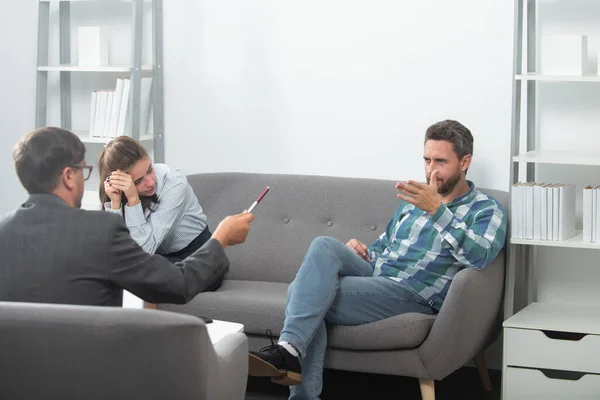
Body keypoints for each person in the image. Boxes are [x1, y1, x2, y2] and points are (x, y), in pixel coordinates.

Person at [248, 120, 507, 399]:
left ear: (465, 161)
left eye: (441, 161)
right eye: (427, 160)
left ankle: (294, 368)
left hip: (415, 294)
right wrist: (363, 250)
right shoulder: (413, 203)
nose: (431, 170)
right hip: (378, 278)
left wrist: (437, 212)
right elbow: (386, 246)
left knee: (300, 294)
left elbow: (479, 257)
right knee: (325, 246)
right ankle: (290, 350)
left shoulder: (486, 210)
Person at [0, 127, 254, 307]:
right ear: (68, 176)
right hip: (89, 368)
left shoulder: (5, 230)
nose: (149, 182)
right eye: (82, 170)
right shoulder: (98, 231)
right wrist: (221, 238)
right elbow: (177, 284)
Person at [98, 136, 211, 264]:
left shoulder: (174, 184)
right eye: (138, 181)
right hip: (158, 260)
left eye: (150, 169)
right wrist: (115, 204)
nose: (150, 182)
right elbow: (115, 250)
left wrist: (133, 199)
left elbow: (143, 252)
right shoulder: (121, 192)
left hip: (198, 256)